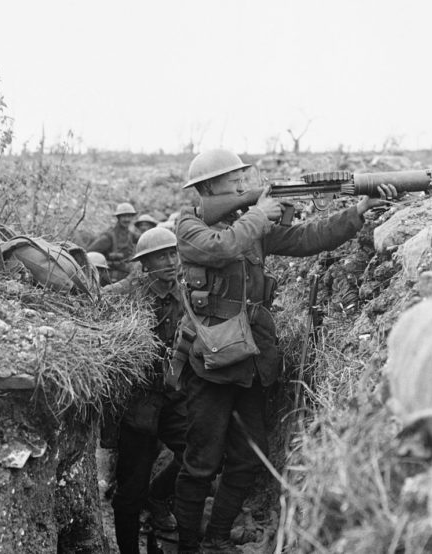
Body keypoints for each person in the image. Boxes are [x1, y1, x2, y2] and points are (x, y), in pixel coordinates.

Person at [171, 149, 397, 553]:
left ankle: (217, 537)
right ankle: (186, 545)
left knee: (246, 456)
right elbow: (220, 248)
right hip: (210, 360)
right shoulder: (189, 225)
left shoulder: (247, 223)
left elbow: (306, 238)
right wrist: (260, 213)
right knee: (201, 462)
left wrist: (359, 211)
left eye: (244, 178)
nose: (243, 184)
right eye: (232, 181)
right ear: (206, 188)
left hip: (251, 359)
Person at [104, 227, 188, 554]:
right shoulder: (125, 293)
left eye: (173, 254)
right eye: (161, 256)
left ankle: (159, 497)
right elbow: (95, 307)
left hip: (172, 398)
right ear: (145, 263)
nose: (170, 261)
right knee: (130, 492)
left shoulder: (183, 296)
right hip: (136, 404)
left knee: (200, 458)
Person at [88, 202, 139, 283]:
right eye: (124, 216)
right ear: (118, 217)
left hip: (125, 272)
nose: (127, 219)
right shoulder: (109, 237)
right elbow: (89, 253)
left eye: (129, 216)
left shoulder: (131, 235)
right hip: (109, 274)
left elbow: (142, 239)